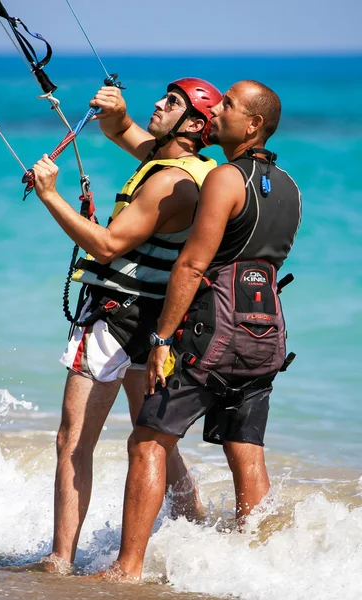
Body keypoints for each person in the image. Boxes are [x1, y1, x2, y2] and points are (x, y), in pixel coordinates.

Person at [90, 79, 302, 582]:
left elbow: (191, 264)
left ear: (252, 125)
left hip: (213, 336)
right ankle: (257, 569)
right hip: (266, 335)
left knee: (148, 441)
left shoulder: (225, 178)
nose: (218, 110)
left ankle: (127, 568)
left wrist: (162, 340)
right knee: (246, 450)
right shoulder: (290, 186)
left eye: (228, 105)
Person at [29, 78, 222, 573]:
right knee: (154, 438)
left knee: (73, 440)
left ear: (196, 125)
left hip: (116, 319)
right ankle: (194, 529)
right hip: (158, 324)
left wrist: (50, 195)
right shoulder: (197, 169)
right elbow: (124, 131)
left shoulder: (164, 182)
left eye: (172, 103)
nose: (160, 104)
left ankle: (59, 559)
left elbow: (107, 246)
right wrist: (117, 108)